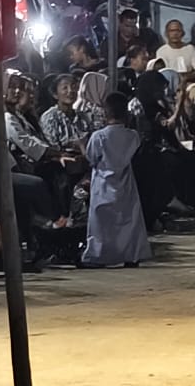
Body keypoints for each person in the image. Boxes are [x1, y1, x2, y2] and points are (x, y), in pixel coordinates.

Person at [81, 92, 151, 267]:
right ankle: (131, 255)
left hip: (103, 184)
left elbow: (91, 158)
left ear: (105, 113)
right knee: (129, 221)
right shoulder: (133, 135)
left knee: (101, 223)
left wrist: (81, 145)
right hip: (126, 183)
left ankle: (99, 256)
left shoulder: (99, 136)